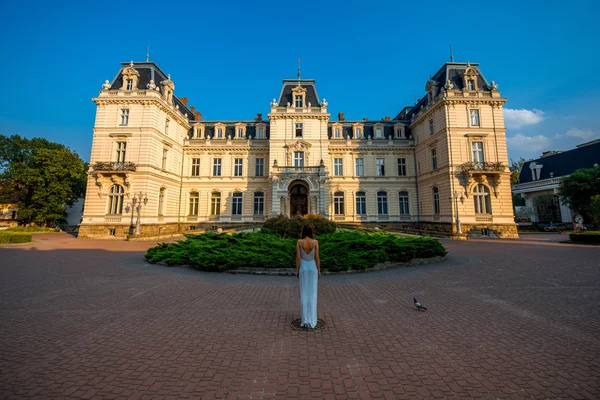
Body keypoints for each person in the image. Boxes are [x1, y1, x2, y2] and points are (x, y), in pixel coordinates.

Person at [296, 224, 321, 329]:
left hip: (303, 268)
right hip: (312, 268)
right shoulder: (315, 242)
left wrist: (296, 270)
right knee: (313, 293)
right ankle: (312, 319)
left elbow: (298, 258)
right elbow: (317, 258)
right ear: (311, 231)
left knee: (304, 293)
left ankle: (305, 319)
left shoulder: (299, 242)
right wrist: (319, 270)